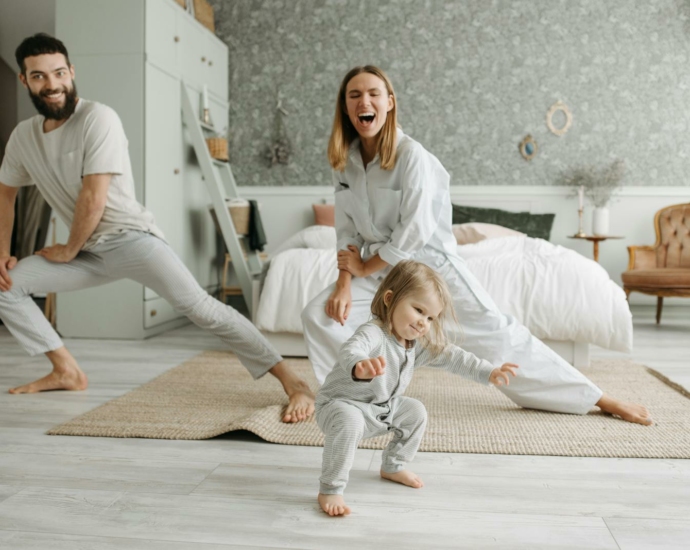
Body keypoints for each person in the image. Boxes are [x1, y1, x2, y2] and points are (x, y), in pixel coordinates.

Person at [302, 65, 652, 426]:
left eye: (373, 93)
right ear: (345, 108)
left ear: (390, 102)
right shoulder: (344, 162)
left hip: (427, 264)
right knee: (321, 316)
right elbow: (346, 231)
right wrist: (346, 280)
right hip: (376, 269)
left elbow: (414, 231)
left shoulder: (413, 156)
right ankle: (354, 398)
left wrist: (365, 266)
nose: (364, 101)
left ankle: (596, 397)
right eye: (354, 95)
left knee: (496, 332)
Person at [0, 34, 314, 423]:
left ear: (72, 72)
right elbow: (5, 195)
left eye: (59, 73)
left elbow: (92, 198)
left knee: (204, 310)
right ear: (25, 81)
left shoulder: (98, 118)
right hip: (86, 251)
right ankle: (66, 370)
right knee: (6, 285)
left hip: (130, 240)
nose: (52, 84)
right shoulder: (24, 136)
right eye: (39, 76)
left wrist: (66, 249)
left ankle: (292, 381)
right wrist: (2, 252)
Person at [316, 260, 518, 516]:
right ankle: (330, 489)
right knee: (350, 421)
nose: (424, 322)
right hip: (339, 406)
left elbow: (453, 356)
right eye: (418, 310)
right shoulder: (374, 333)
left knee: (415, 411)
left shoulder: (416, 344)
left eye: (431, 317)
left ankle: (393, 465)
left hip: (380, 408)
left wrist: (488, 371)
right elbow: (351, 348)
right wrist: (359, 366)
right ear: (390, 299)